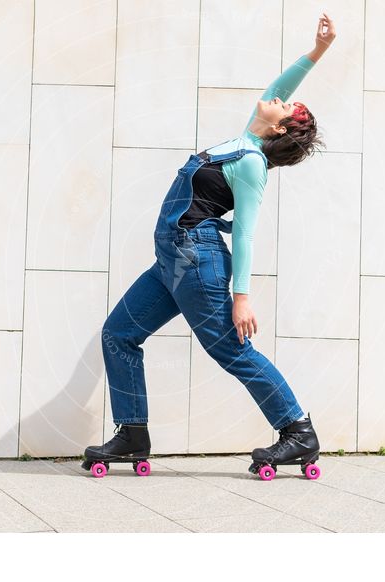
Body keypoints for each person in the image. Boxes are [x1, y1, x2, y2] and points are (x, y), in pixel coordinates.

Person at [84, 13, 336, 472]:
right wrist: (318, 50)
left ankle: (298, 430)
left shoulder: (252, 164)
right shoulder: (243, 138)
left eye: (285, 105)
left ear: (280, 128)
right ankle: (133, 434)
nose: (277, 98)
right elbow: (284, 80)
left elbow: (245, 232)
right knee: (118, 334)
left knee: (232, 350)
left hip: (198, 260)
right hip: (171, 261)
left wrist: (241, 296)